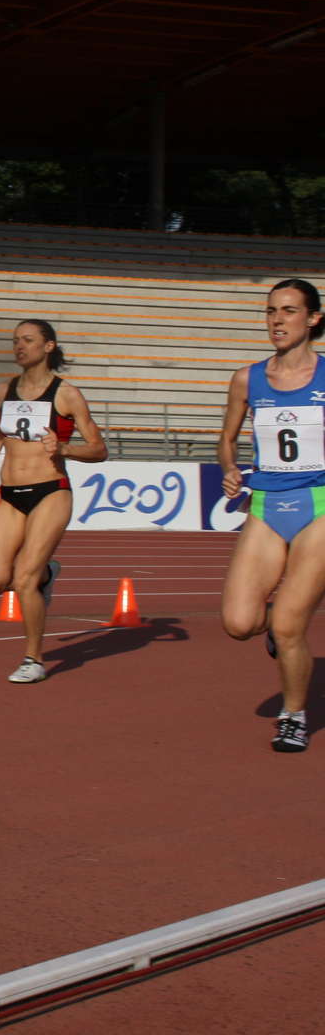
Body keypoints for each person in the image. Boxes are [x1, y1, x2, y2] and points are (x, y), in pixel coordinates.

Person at [0, 320, 106, 684]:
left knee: (23, 578)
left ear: (48, 346)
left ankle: (33, 659)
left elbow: (99, 449)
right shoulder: (1, 392)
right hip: (11, 494)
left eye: (28, 340)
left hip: (51, 490)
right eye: (15, 341)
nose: (19, 346)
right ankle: (47, 573)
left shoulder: (66, 394)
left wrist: (65, 448)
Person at [217, 279, 325, 752]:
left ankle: (293, 716)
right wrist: (229, 469)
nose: (277, 320)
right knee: (240, 623)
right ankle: (282, 628)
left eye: (289, 311)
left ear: (313, 318)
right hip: (265, 503)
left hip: (320, 503)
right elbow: (226, 439)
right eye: (270, 311)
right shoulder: (247, 378)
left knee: (288, 624)